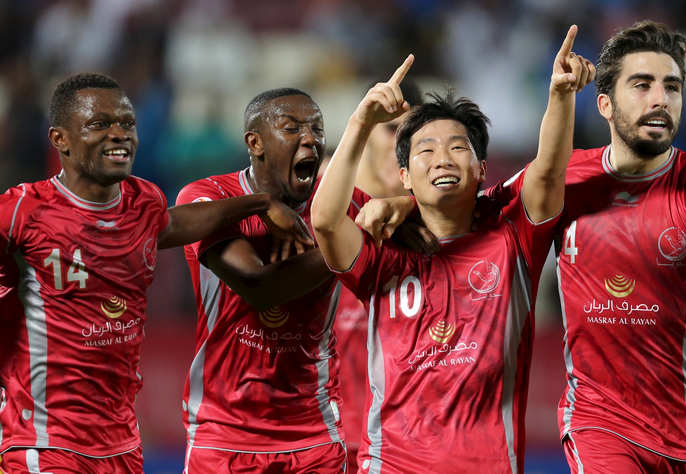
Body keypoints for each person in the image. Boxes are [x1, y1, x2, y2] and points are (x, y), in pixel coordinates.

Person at [482, 20, 686, 473]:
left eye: (672, 87)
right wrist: (393, 205)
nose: (660, 99)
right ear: (605, 105)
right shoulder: (564, 178)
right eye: (642, 85)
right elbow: (465, 214)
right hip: (598, 423)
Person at [311, 26, 593, 473]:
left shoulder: (512, 238)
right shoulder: (383, 245)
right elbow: (325, 221)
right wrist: (360, 123)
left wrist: (560, 96)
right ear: (405, 175)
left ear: (482, 169)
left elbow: (547, 173)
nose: (442, 157)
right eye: (424, 149)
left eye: (457, 147)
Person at [0, 73, 312, 473]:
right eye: (100, 124)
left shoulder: (143, 201)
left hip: (121, 446)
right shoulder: (23, 211)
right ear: (60, 139)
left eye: (127, 124)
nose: (119, 134)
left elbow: (179, 224)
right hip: (45, 443)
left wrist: (260, 203)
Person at [175, 88, 375, 473]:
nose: (310, 138)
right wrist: (348, 240)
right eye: (292, 128)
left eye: (317, 128)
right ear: (255, 142)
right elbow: (259, 286)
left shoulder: (340, 205)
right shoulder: (207, 198)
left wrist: (395, 206)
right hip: (223, 432)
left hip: (313, 433)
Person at [335, 79, 424, 473]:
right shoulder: (322, 210)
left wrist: (410, 204)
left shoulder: (438, 218)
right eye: (391, 128)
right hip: (326, 443)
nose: (400, 143)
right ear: (365, 131)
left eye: (413, 132)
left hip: (408, 447)